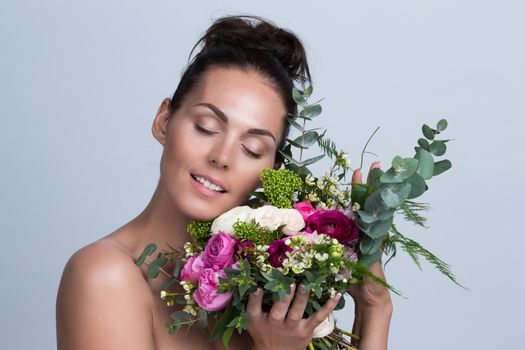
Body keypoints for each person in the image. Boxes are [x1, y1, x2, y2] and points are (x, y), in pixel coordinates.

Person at [56, 15, 392, 350]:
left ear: (272, 169)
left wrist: (374, 307)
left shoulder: (263, 285)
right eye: (205, 127)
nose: (222, 156)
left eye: (252, 148)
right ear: (164, 121)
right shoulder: (104, 276)